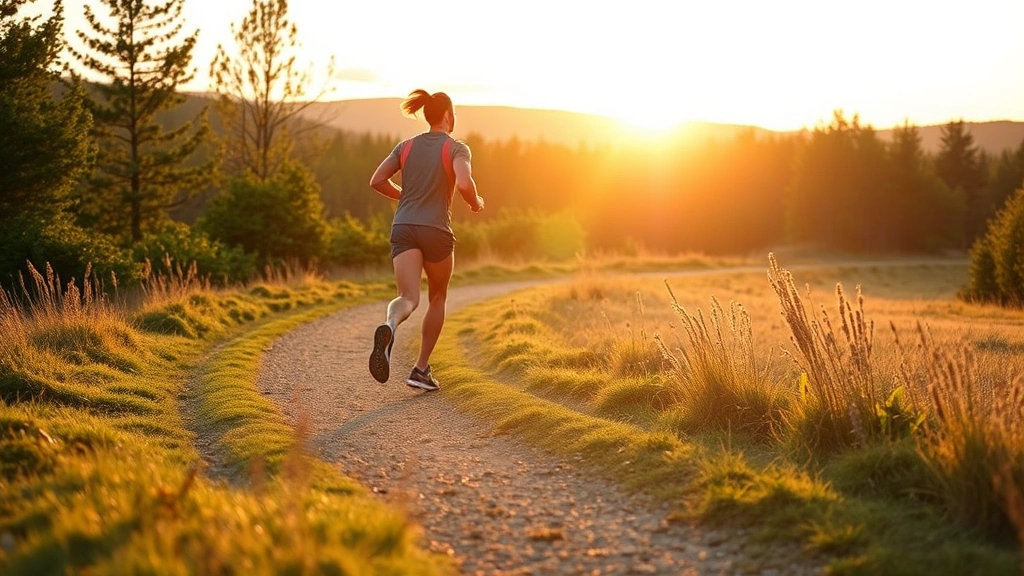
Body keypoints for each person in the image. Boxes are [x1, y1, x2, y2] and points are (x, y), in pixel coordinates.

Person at [367, 89, 485, 391]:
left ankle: (390, 325)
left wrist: (404, 195)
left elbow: (377, 180)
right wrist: (475, 202)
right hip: (436, 230)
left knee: (408, 297)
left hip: (403, 226)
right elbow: (463, 182)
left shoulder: (405, 147)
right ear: (447, 115)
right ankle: (420, 370)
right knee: (437, 297)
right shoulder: (456, 148)